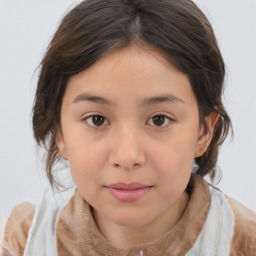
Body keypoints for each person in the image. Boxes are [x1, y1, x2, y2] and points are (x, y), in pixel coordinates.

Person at [1, 0, 256, 255]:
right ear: (59, 132)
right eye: (97, 119)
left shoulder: (245, 243)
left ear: (203, 132)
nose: (127, 156)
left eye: (159, 119)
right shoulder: (25, 240)